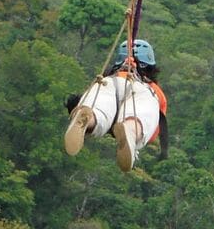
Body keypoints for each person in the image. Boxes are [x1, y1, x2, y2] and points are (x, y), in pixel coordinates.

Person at [64, 38, 168, 171]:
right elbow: (154, 128)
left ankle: (88, 119)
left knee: (99, 110)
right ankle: (130, 131)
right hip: (141, 91)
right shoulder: (154, 90)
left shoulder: (107, 78)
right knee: (137, 117)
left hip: (109, 84)